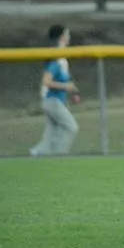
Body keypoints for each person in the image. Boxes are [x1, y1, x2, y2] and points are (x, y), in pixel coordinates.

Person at [29, 24, 79, 157]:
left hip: (55, 101)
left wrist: (72, 92)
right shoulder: (56, 57)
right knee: (71, 127)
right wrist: (66, 87)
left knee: (49, 138)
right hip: (52, 101)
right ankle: (59, 156)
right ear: (61, 37)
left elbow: (63, 80)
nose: (69, 37)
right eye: (67, 34)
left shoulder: (62, 58)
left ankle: (37, 154)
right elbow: (46, 81)